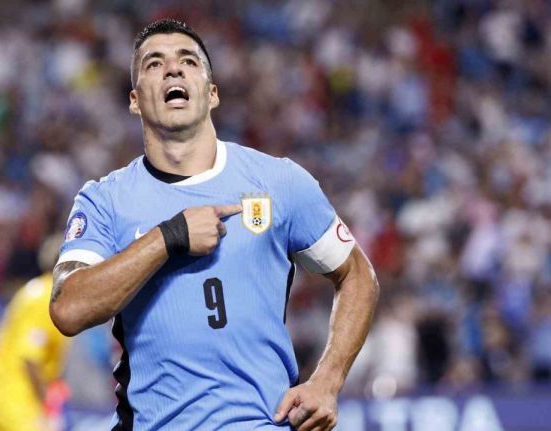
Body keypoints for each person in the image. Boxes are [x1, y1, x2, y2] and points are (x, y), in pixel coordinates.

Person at [50, 19, 379, 431]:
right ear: (135, 100)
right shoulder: (105, 200)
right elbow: (68, 308)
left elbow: (358, 274)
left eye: (188, 61)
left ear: (212, 93)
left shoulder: (279, 182)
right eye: (154, 64)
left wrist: (327, 381)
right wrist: (168, 238)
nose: (173, 69)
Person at [0, 237, 72, 431]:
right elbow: (30, 358)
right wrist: (48, 407)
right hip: (15, 393)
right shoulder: (48, 298)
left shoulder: (35, 290)